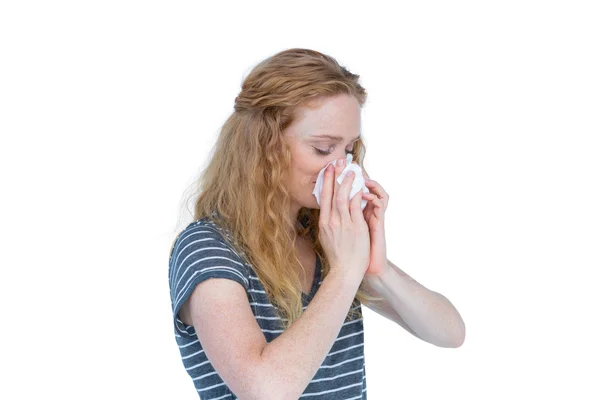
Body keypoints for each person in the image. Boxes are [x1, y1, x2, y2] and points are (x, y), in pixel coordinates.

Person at [168, 48, 464, 399]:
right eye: (324, 149)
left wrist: (375, 268)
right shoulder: (207, 247)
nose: (342, 167)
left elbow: (450, 333)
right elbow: (266, 390)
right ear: (263, 149)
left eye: (349, 150)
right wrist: (343, 272)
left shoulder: (326, 239)